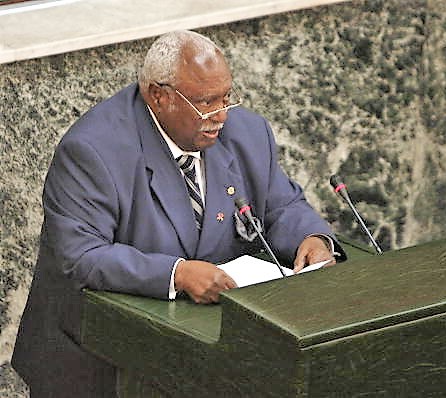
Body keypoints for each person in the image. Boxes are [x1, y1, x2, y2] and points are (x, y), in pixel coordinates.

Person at [12, 30, 345, 397]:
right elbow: (80, 256)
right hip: (100, 358)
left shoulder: (246, 132)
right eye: (205, 102)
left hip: (205, 352)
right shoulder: (93, 151)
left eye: (226, 98)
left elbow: (280, 205)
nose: (220, 115)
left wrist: (311, 238)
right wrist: (177, 274)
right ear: (159, 96)